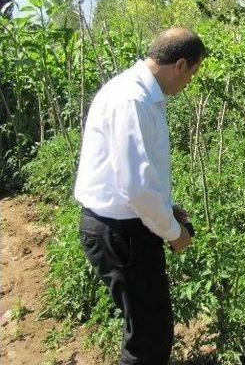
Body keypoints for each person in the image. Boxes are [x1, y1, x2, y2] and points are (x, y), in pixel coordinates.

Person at [74, 27, 206, 364]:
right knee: (148, 338)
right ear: (180, 65)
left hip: (124, 227)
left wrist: (166, 209)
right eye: (192, 73)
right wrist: (175, 234)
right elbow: (134, 186)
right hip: (122, 234)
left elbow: (138, 177)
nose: (189, 82)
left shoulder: (138, 93)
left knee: (149, 329)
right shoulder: (132, 99)